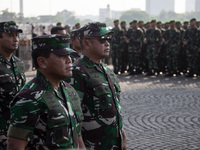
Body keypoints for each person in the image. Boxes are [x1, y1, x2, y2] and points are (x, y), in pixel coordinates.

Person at [7, 34, 85, 150]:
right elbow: (15, 146)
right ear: (42, 62)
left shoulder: (69, 91)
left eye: (68, 55)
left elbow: (77, 136)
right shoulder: (28, 98)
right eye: (62, 55)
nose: (69, 60)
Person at [70, 22, 127, 150]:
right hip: (92, 145)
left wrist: (122, 136)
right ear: (86, 43)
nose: (107, 43)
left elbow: (116, 107)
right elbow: (73, 114)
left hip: (113, 143)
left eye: (108, 39)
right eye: (102, 39)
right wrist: (80, 146)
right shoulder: (77, 72)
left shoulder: (107, 70)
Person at [0, 21, 26, 150]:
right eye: (10, 35)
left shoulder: (18, 63)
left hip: (16, 130)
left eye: (17, 35)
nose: (15, 39)